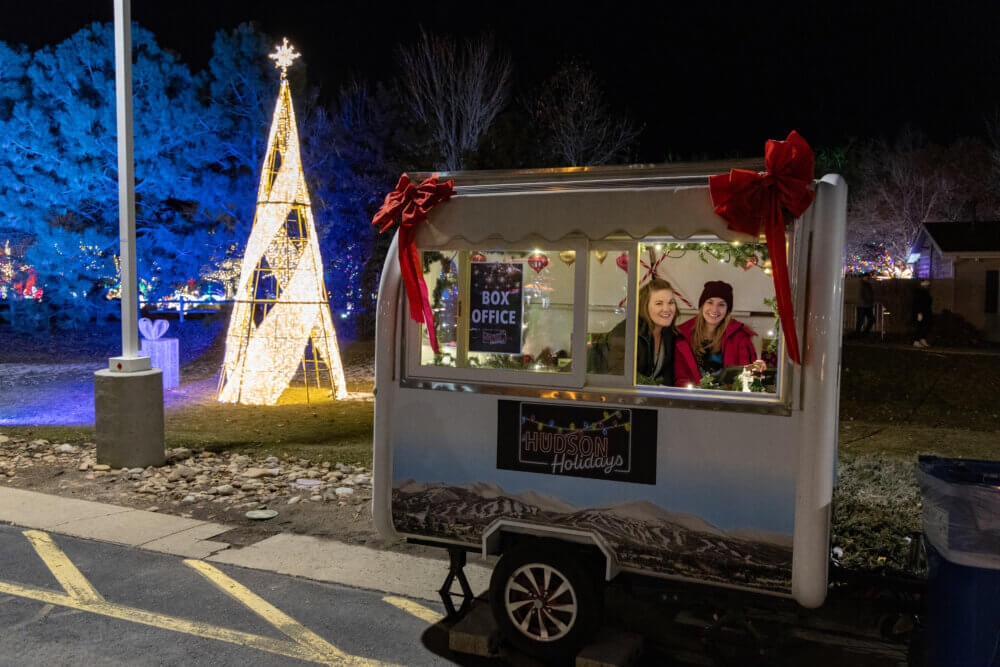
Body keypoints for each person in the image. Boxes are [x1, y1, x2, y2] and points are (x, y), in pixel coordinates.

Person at [588, 279, 678, 385]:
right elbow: (620, 378)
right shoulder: (625, 333)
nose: (666, 309)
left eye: (671, 302)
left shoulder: (669, 334)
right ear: (645, 306)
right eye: (659, 303)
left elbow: (668, 376)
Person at [674, 280, 757, 387]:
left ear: (727, 309)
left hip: (728, 400)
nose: (715, 309)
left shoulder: (740, 337)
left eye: (721, 304)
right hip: (692, 399)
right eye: (710, 302)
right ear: (702, 305)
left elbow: (750, 376)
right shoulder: (682, 335)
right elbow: (679, 377)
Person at [912, 279, 932, 348]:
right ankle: (916, 340)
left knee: (925, 326)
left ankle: (922, 339)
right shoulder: (919, 293)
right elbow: (917, 303)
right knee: (920, 326)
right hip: (921, 312)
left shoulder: (925, 292)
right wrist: (918, 312)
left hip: (926, 312)